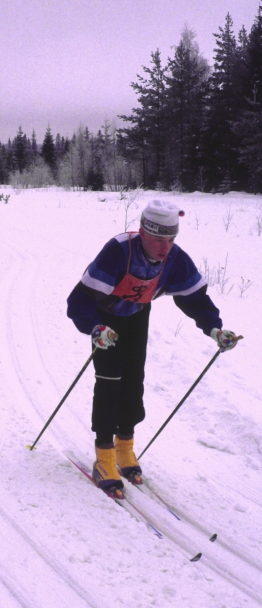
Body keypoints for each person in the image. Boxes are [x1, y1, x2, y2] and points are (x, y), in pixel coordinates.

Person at [67, 199, 240, 493]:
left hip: (136, 317)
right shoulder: (119, 250)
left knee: (133, 382)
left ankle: (124, 448)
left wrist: (215, 329)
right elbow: (78, 301)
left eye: (171, 239)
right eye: (159, 239)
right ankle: (104, 456)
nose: (164, 247)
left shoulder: (175, 258)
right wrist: (95, 328)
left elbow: (194, 297)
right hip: (106, 320)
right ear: (143, 232)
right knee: (110, 381)